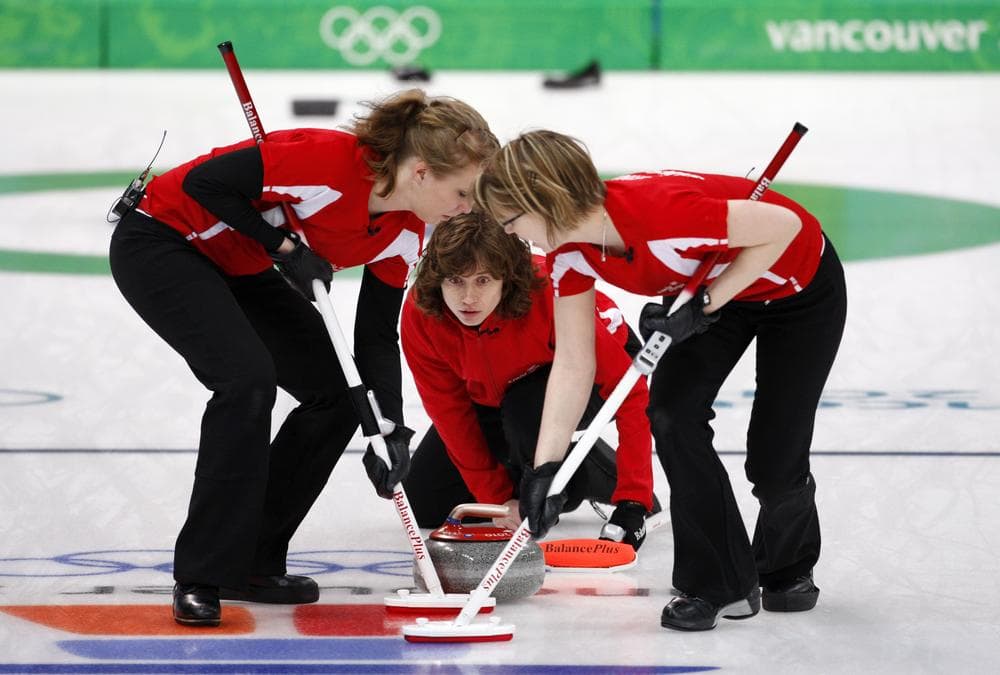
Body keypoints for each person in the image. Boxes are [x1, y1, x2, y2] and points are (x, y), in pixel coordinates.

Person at [108, 89, 498, 627]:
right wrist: (286, 249)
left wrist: (389, 425)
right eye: (462, 192)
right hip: (164, 240)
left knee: (339, 397)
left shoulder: (408, 230)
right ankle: (201, 572)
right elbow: (204, 183)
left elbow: (377, 335)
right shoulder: (328, 160)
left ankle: (253, 557)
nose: (466, 207)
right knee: (246, 380)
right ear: (422, 173)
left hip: (240, 265)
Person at [474, 130, 847, 631]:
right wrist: (544, 470)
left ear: (546, 198)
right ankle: (717, 583)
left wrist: (709, 301)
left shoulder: (660, 214)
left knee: (774, 458)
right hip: (717, 298)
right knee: (671, 415)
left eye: (513, 221)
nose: (516, 236)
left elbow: (785, 225)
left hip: (797, 288)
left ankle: (786, 568)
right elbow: (574, 363)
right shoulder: (571, 255)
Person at [399, 212, 657, 547]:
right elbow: (450, 414)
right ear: (436, 280)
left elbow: (630, 393)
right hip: (491, 394)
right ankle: (562, 474)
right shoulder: (422, 313)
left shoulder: (547, 292)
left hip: (581, 373)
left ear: (506, 278)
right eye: (454, 281)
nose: (467, 299)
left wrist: (633, 498)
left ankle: (595, 476)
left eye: (482, 281)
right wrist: (499, 501)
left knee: (525, 408)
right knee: (427, 501)